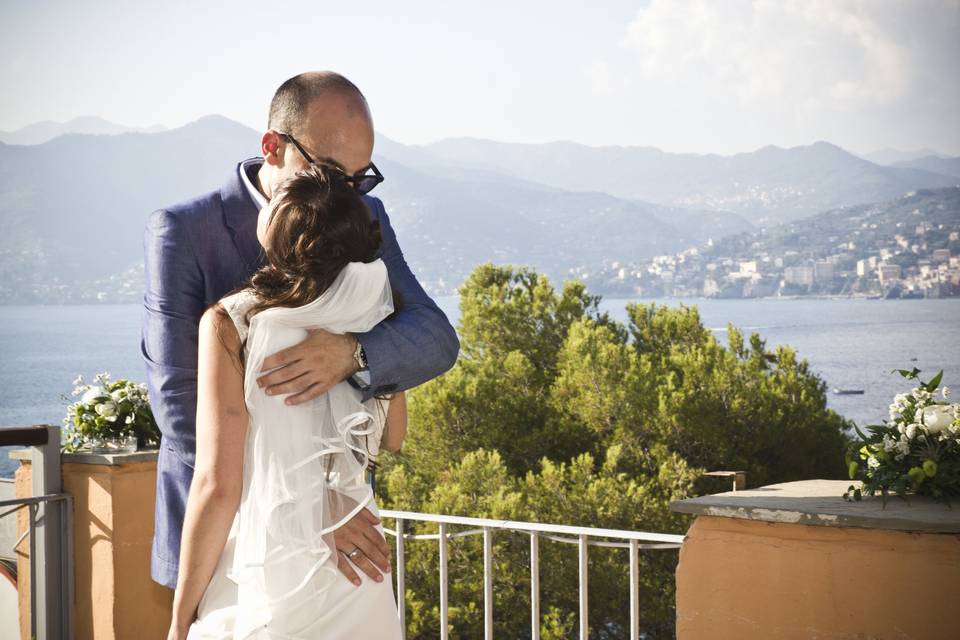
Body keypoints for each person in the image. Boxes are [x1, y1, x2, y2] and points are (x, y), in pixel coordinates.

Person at [142, 71, 459, 594]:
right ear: (273, 147)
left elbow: (434, 336)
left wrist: (353, 353)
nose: (349, 196)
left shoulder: (366, 213)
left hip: (345, 545)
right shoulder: (184, 230)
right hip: (227, 539)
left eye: (360, 178)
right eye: (333, 172)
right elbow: (179, 408)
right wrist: (314, 504)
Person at [167, 164, 407, 639]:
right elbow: (394, 436)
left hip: (271, 564)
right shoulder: (374, 319)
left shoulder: (232, 324)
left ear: (281, 232)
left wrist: (178, 620)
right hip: (358, 570)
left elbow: (217, 485)